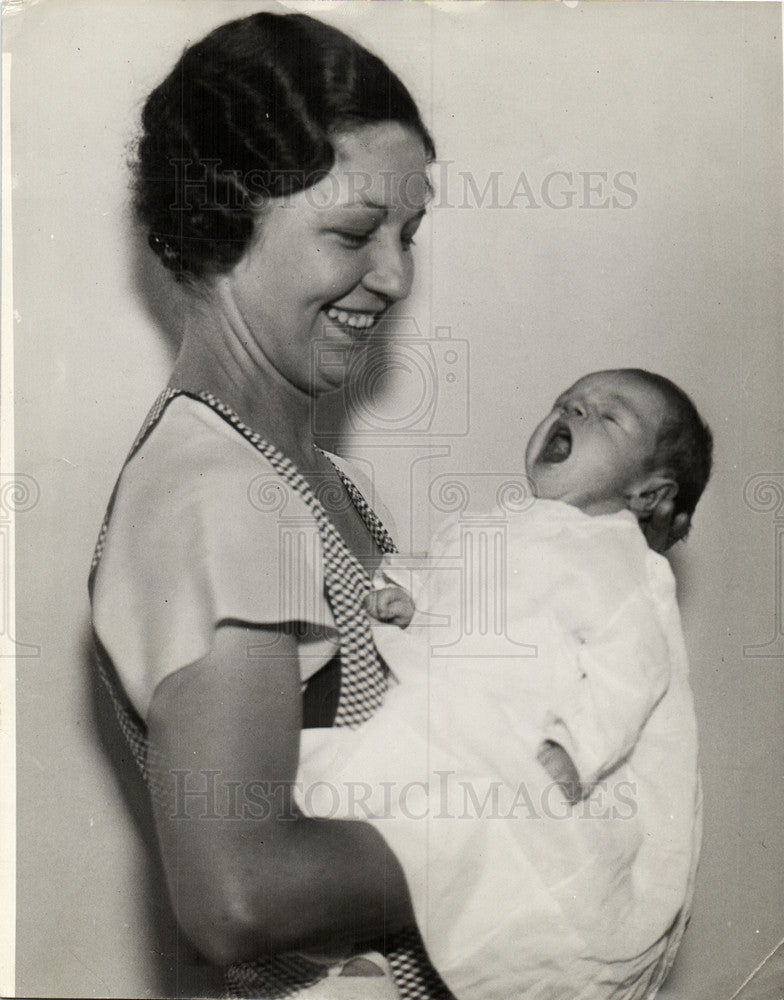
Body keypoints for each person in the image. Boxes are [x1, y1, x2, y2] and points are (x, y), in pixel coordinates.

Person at [88, 12, 687, 998]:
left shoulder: (321, 479)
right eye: (355, 232)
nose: (398, 276)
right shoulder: (221, 493)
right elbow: (235, 894)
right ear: (228, 214)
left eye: (408, 235)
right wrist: (519, 835)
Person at [297, 369, 712, 1000]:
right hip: (454, 706)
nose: (574, 409)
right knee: (371, 789)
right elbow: (455, 588)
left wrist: (577, 747)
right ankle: (348, 960)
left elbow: (635, 670)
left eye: (608, 415)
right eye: (566, 401)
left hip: (522, 733)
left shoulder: (620, 559)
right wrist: (413, 604)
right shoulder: (490, 527)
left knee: (458, 841)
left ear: (649, 495)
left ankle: (353, 966)